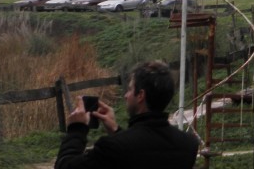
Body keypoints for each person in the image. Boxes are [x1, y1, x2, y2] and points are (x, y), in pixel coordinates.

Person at [55, 60, 199, 169]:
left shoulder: (112, 147)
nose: (125, 95)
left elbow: (66, 166)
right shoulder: (188, 145)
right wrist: (117, 131)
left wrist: (77, 129)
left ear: (140, 95)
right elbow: (145, 151)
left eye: (130, 89)